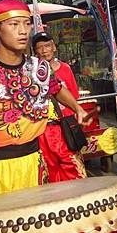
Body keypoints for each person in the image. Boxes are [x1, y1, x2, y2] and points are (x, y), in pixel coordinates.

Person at [0, 0, 90, 202]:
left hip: (34, 161)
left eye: (27, 23)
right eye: (14, 24)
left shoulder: (39, 67)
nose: (23, 31)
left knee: (37, 227)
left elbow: (55, 88)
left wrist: (77, 107)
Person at [33, 31, 87, 182]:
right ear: (35, 52)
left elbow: (73, 96)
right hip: (42, 130)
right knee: (48, 175)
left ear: (54, 47)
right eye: (40, 47)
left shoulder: (65, 69)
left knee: (74, 170)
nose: (44, 50)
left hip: (66, 126)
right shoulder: (31, 73)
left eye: (47, 46)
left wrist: (77, 115)